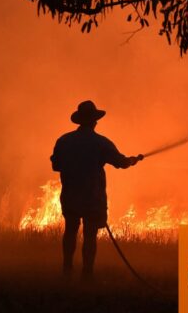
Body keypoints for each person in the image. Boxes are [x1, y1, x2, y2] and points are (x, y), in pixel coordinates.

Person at [51, 100, 143, 279]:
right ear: (94, 121)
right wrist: (133, 160)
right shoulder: (101, 143)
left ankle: (67, 269)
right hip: (92, 197)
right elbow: (121, 162)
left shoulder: (64, 141)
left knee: (70, 230)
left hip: (70, 195)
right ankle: (87, 274)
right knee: (90, 235)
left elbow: (56, 165)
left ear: (79, 121)